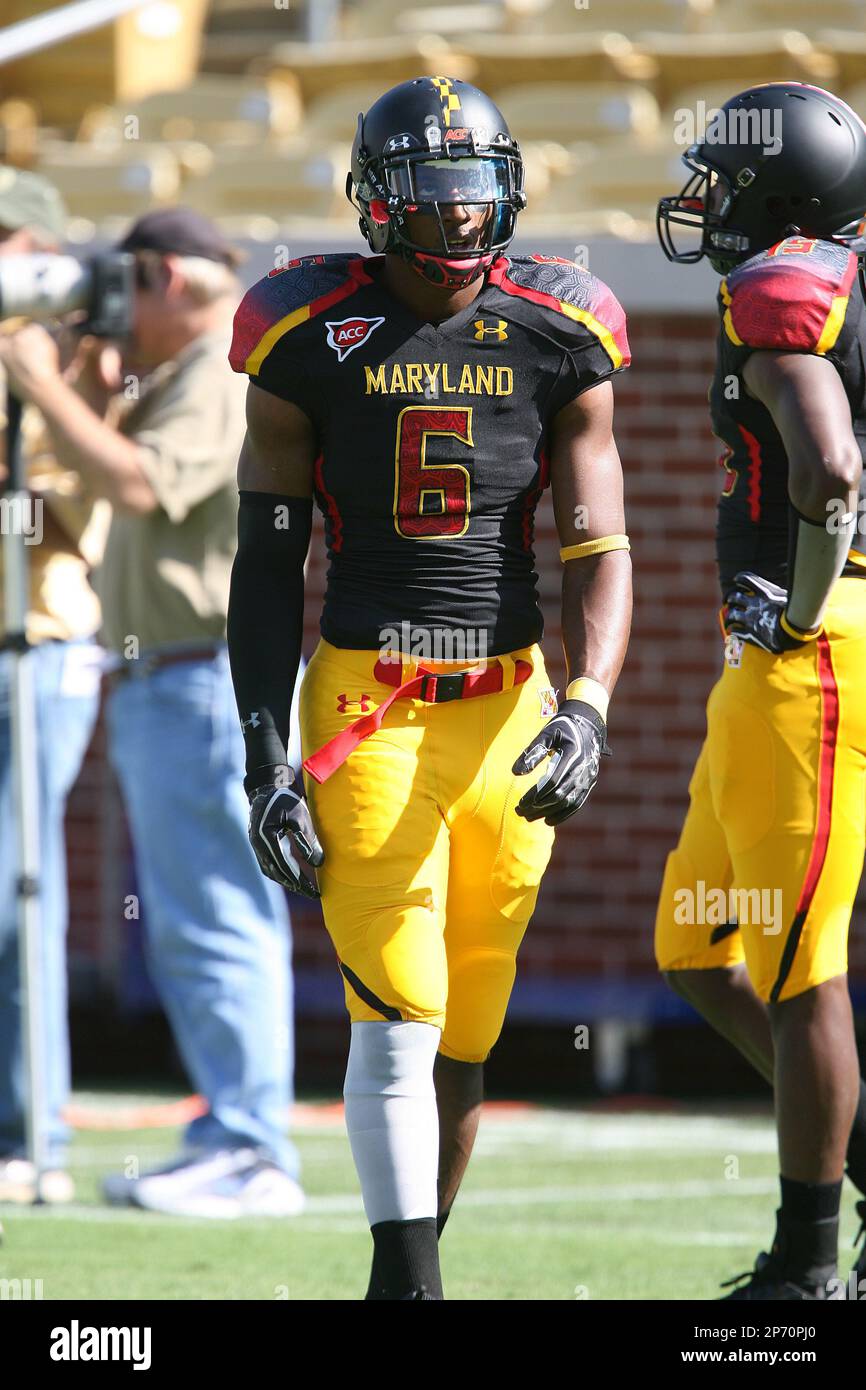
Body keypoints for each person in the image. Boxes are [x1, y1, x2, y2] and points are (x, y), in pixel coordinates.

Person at [228, 76, 633, 1298]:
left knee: (467, 1030)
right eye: (433, 196)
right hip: (367, 703)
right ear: (376, 204)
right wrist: (264, 758)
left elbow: (596, 545)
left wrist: (590, 704)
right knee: (395, 1015)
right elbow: (265, 563)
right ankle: (405, 1284)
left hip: (510, 702)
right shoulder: (303, 332)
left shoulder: (563, 326)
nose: (461, 221)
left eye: (477, 193)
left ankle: (414, 1264)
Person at [0, 207, 304, 1218]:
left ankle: (251, 1148)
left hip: (199, 676)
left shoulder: (223, 368)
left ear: (168, 276)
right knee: (192, 924)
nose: (112, 312)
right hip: (165, 679)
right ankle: (230, 1135)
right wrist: (88, 383)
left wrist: (40, 380)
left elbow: (134, 484)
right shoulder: (170, 376)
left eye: (126, 288)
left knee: (217, 920)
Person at [655, 81, 866, 1299]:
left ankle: (800, 1269)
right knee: (694, 946)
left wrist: (795, 601)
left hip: (812, 653)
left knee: (797, 964)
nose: (704, 202)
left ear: (783, 194)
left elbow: (826, 465)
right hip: (785, 665)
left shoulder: (782, 285)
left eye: (725, 179)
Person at [0, 167, 105, 1202]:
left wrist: (33, 386)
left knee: (17, 892)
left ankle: (38, 1134)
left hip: (41, 644)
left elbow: (91, 517)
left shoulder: (82, 362)